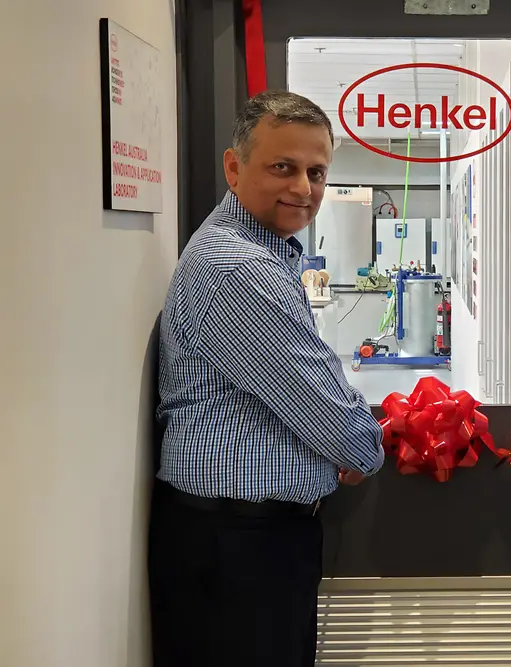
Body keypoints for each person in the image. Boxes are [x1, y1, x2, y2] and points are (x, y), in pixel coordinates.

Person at [149, 90, 385, 667]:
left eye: (316, 171)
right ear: (235, 167)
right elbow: (327, 413)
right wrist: (360, 445)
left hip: (246, 541)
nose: (303, 188)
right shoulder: (239, 268)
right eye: (282, 167)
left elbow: (311, 380)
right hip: (238, 548)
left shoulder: (266, 252)